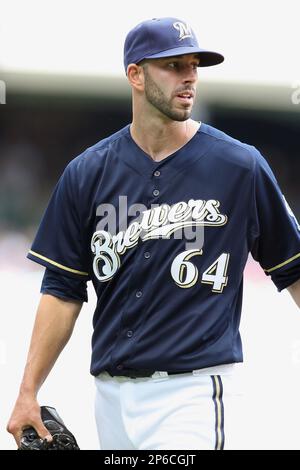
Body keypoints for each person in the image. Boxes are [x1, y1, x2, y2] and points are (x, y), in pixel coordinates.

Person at [7, 17, 300, 450]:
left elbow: (294, 268)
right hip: (110, 395)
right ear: (136, 75)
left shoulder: (240, 167)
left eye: (194, 65)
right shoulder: (87, 173)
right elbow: (62, 288)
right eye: (174, 65)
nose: (189, 77)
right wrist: (27, 391)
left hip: (195, 393)